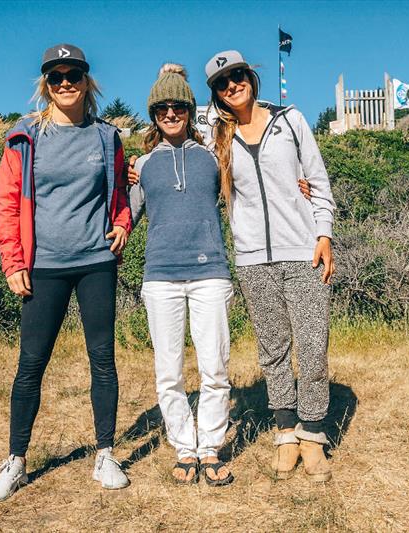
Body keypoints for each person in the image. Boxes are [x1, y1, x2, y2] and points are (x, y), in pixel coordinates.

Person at [0, 43, 132, 502]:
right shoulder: (24, 136)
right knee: (31, 365)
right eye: (56, 76)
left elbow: (121, 195)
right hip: (42, 266)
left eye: (74, 75)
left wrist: (124, 224)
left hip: (95, 262)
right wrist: (13, 261)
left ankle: (106, 453)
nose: (65, 83)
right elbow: (6, 203)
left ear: (88, 81)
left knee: (102, 360)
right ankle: (17, 461)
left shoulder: (107, 137)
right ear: (45, 85)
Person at [205, 50, 336, 482]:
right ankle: (285, 431)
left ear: (250, 77)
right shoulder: (220, 139)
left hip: (302, 251)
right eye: (222, 83)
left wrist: (324, 235)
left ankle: (313, 432)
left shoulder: (291, 120)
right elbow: (179, 147)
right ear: (217, 94)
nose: (232, 86)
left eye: (237, 76)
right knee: (274, 350)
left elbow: (317, 181)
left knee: (313, 345)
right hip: (253, 260)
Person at [130, 63, 234, 486]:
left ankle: (210, 447)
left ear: (190, 110)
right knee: (168, 372)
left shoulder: (213, 153)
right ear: (153, 113)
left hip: (210, 272)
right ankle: (184, 449)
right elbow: (127, 214)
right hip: (160, 277)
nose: (170, 113)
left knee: (215, 367)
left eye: (178, 106)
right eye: (161, 107)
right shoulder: (144, 164)